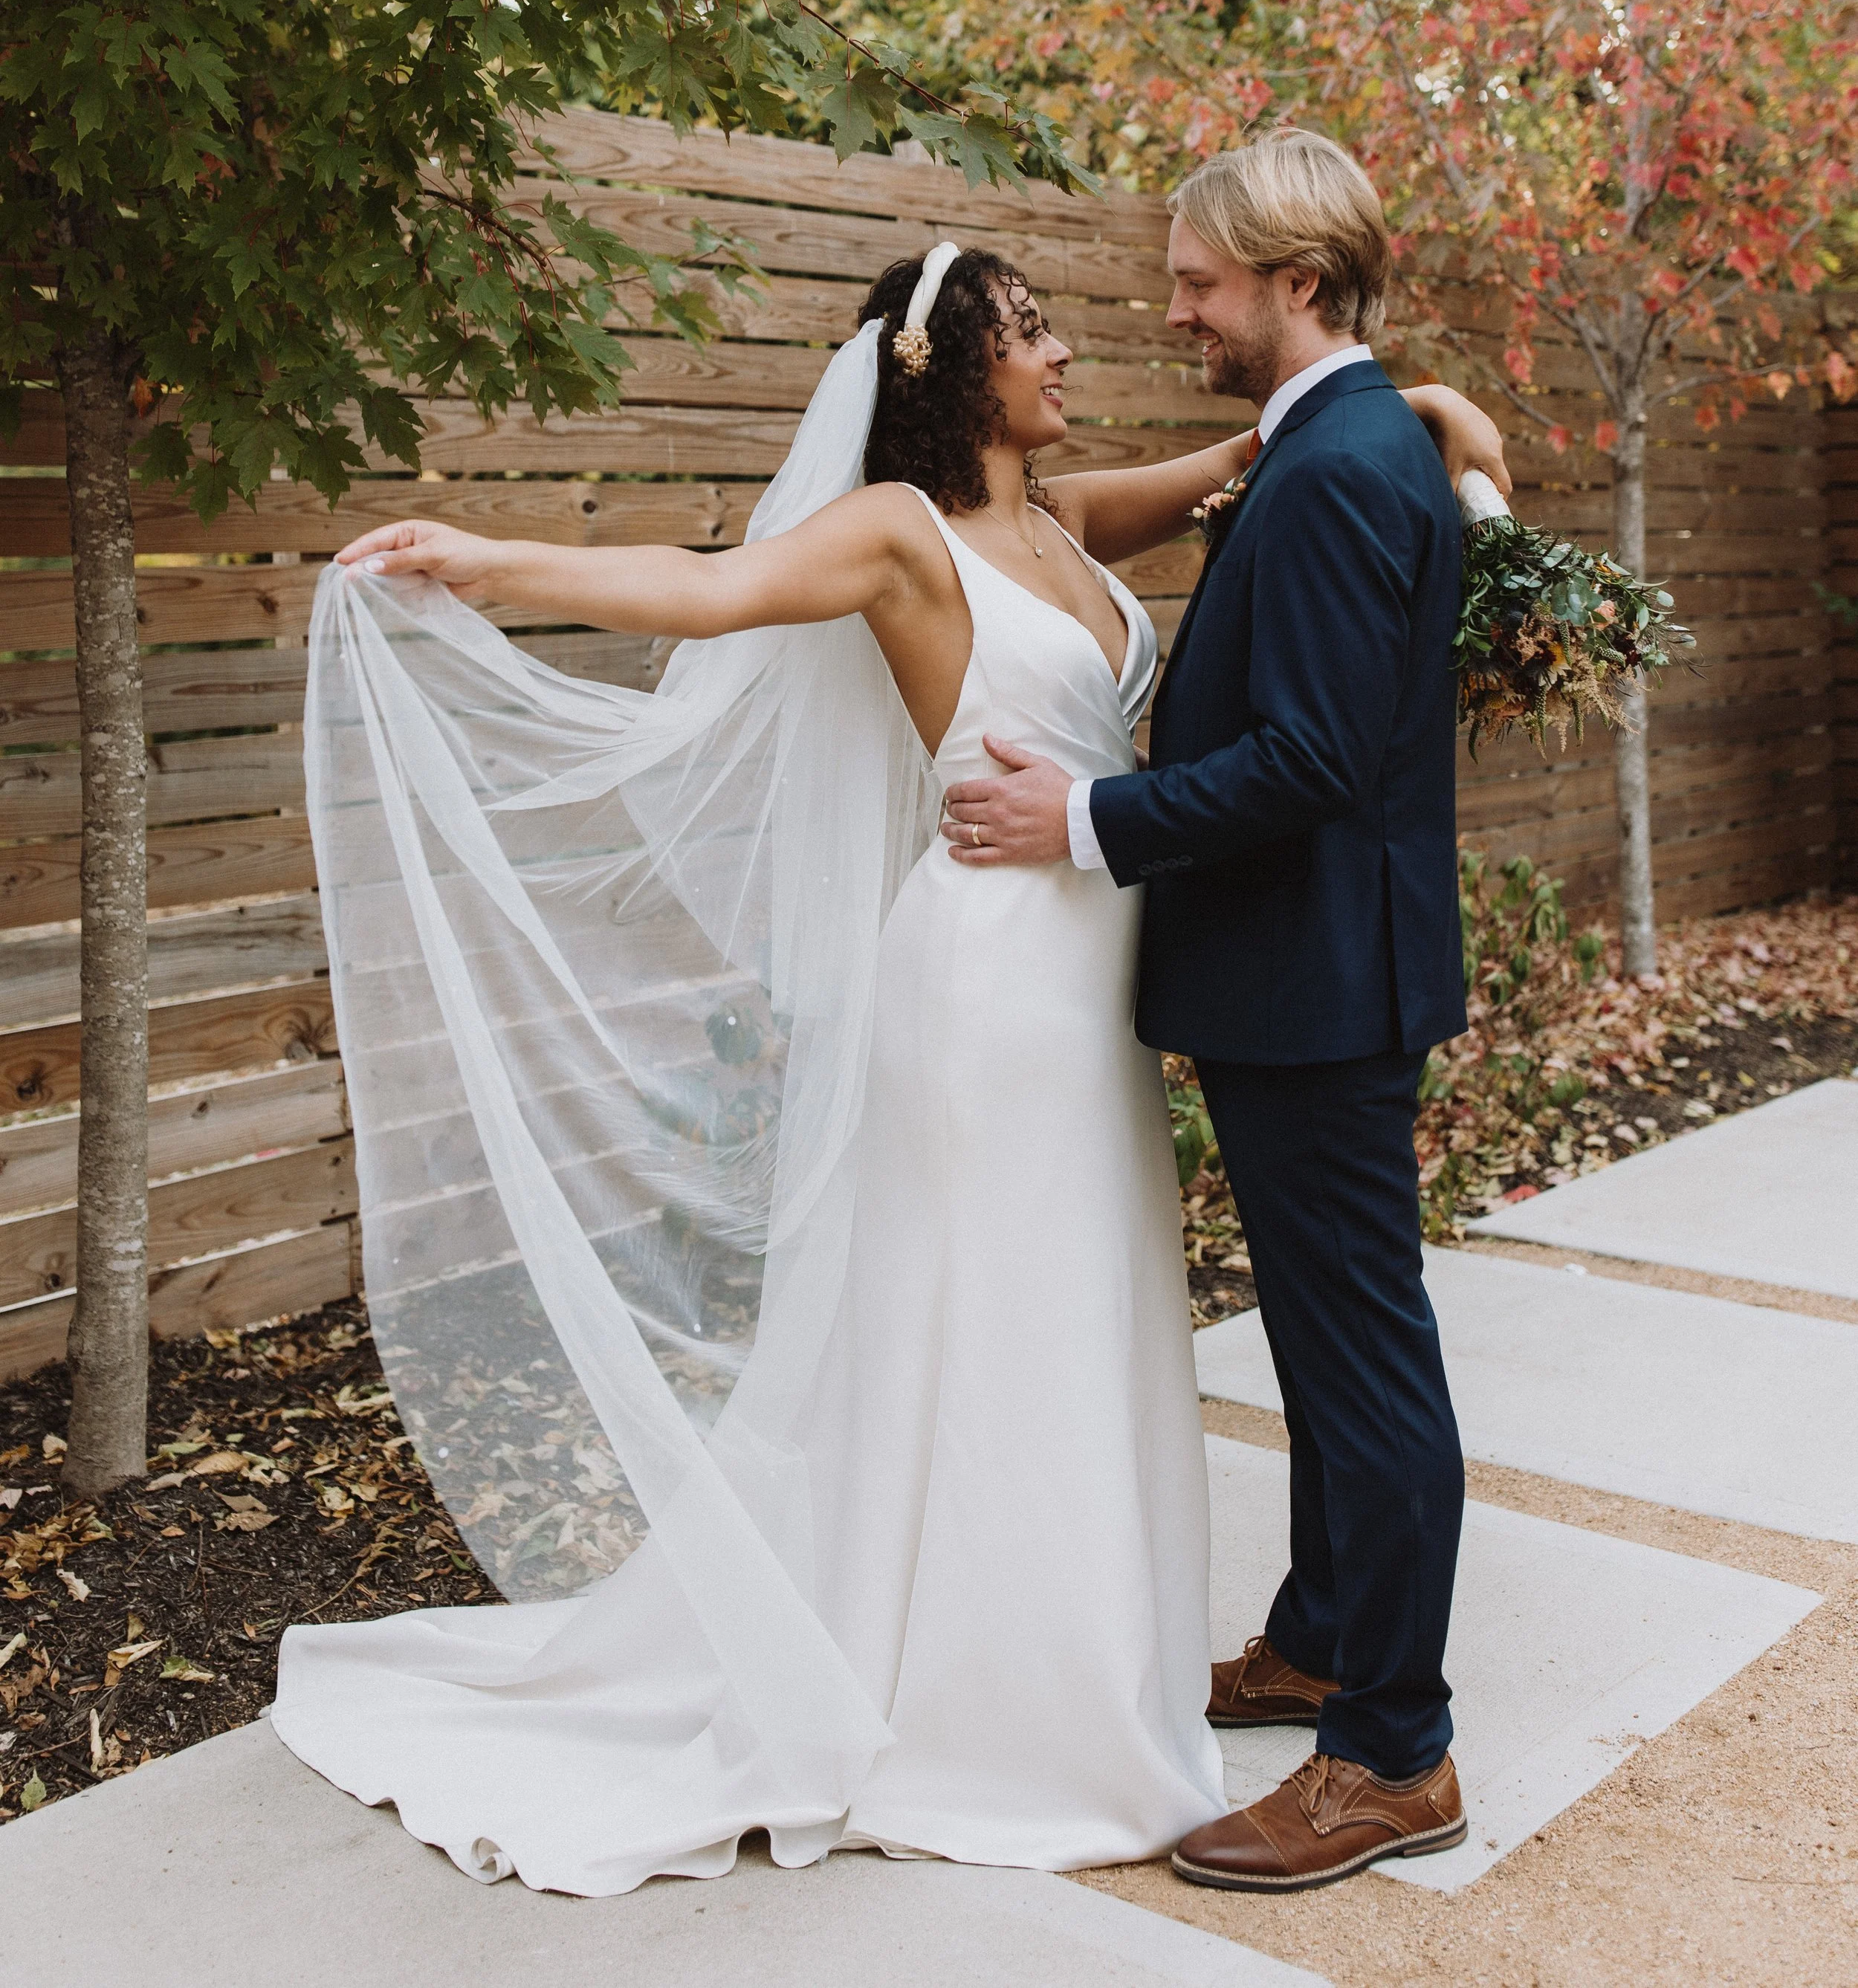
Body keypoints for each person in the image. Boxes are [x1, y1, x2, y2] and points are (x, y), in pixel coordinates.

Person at [270, 211, 1504, 1897]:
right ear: (949, 368)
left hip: (1096, 970)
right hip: (989, 979)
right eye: (1032, 328)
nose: (1069, 346)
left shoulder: (1062, 519)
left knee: (1078, 1312)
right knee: (988, 1317)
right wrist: (486, 559)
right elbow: (706, 592)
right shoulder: (895, 535)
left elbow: (1251, 456)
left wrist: (1401, 407)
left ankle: (1090, 1668)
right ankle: (983, 1705)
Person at [942, 132, 1475, 1893]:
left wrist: (1080, 822)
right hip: (1310, 976)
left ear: (1294, 288)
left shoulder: (1335, 471)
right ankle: (1324, 1633)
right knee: (1331, 1355)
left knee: (1361, 1362)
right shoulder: (1342, 439)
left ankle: (1391, 1749)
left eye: (1196, 283)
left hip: (1316, 986)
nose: (1168, 308)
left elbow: (1311, 759)